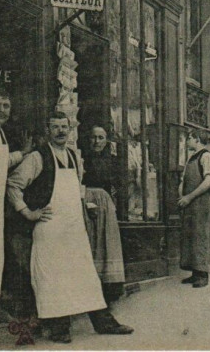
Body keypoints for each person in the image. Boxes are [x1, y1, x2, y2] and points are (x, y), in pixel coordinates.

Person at [6, 112, 133, 343]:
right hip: (49, 228)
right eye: (55, 127)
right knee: (53, 278)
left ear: (70, 129)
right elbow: (14, 184)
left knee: (86, 277)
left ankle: (104, 322)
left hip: (74, 228)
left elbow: (77, 188)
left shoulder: (74, 157)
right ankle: (59, 328)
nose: (61, 131)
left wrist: (87, 207)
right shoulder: (37, 157)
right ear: (48, 130)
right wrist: (27, 212)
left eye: (64, 127)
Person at [0, 87, 32, 323]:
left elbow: (2, 162)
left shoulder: (0, 133)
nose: (1, 110)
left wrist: (22, 153)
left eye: (6, 106)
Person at [82, 125, 126, 302]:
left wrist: (113, 201)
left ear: (106, 140)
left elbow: (117, 183)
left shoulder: (112, 160)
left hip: (105, 203)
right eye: (94, 137)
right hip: (86, 201)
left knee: (107, 241)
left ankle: (108, 287)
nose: (97, 141)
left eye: (101, 138)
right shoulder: (82, 157)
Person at [177, 128, 210, 288]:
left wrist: (189, 197)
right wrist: (182, 195)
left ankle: (203, 274)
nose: (187, 141)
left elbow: (208, 181)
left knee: (200, 235)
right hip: (189, 204)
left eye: (189, 138)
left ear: (197, 139)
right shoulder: (191, 158)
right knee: (190, 235)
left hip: (200, 203)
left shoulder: (206, 157)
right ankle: (195, 272)